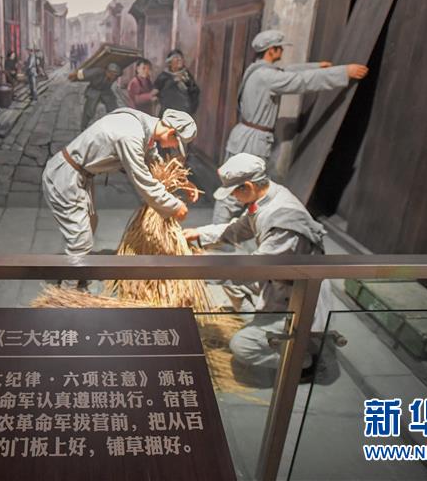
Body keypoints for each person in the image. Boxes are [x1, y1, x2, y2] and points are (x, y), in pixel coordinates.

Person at [182, 153, 332, 377]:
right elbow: (240, 227)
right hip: (276, 282)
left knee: (242, 347)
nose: (233, 197)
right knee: (231, 283)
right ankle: (263, 327)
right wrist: (199, 234)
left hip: (298, 297)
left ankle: (302, 361)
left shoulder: (284, 222)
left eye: (234, 192)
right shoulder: (267, 197)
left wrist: (202, 270)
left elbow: (254, 270)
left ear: (249, 186)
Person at [215, 29, 369, 225]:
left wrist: (316, 66)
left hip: (245, 136)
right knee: (238, 190)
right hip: (252, 140)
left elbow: (287, 71)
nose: (282, 51)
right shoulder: (267, 76)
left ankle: (220, 231)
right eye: (280, 48)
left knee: (238, 187)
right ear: (271, 50)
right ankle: (217, 234)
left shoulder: (256, 70)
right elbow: (301, 82)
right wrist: (343, 73)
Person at [43, 108, 199, 289]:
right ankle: (68, 290)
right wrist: (174, 206)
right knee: (80, 239)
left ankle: (77, 273)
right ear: (171, 132)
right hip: (65, 177)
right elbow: (143, 180)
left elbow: (153, 161)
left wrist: (183, 182)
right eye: (176, 143)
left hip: (81, 177)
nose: (173, 147)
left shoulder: (145, 127)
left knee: (90, 224)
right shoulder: (130, 135)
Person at [72, 62, 122, 129]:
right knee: (89, 110)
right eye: (112, 74)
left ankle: (115, 125)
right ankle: (83, 127)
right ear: (107, 71)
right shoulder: (97, 72)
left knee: (113, 107)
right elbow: (84, 74)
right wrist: (75, 75)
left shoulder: (114, 76)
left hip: (106, 91)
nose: (113, 77)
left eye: (115, 75)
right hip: (94, 90)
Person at [155, 49, 200, 116]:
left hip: (184, 112)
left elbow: (195, 91)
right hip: (169, 111)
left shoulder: (187, 74)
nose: (180, 60)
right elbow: (159, 93)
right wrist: (174, 81)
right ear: (170, 62)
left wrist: (188, 83)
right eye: (176, 58)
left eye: (181, 58)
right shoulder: (163, 76)